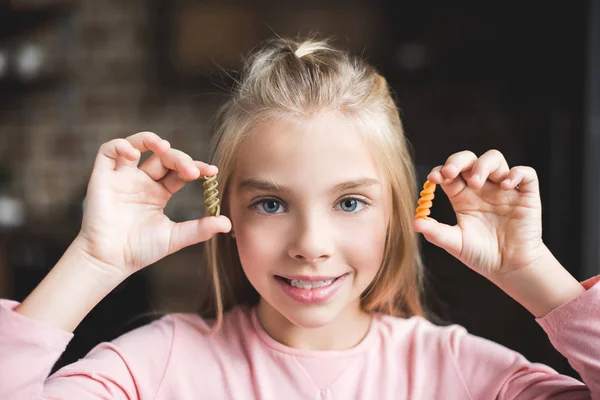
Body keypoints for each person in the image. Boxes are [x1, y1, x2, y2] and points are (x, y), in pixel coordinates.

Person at [0, 37, 598, 400]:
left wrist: (533, 272)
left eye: (350, 202)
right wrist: (93, 261)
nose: (311, 244)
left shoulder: (462, 374)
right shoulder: (152, 370)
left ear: (394, 210)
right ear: (224, 209)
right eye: (270, 203)